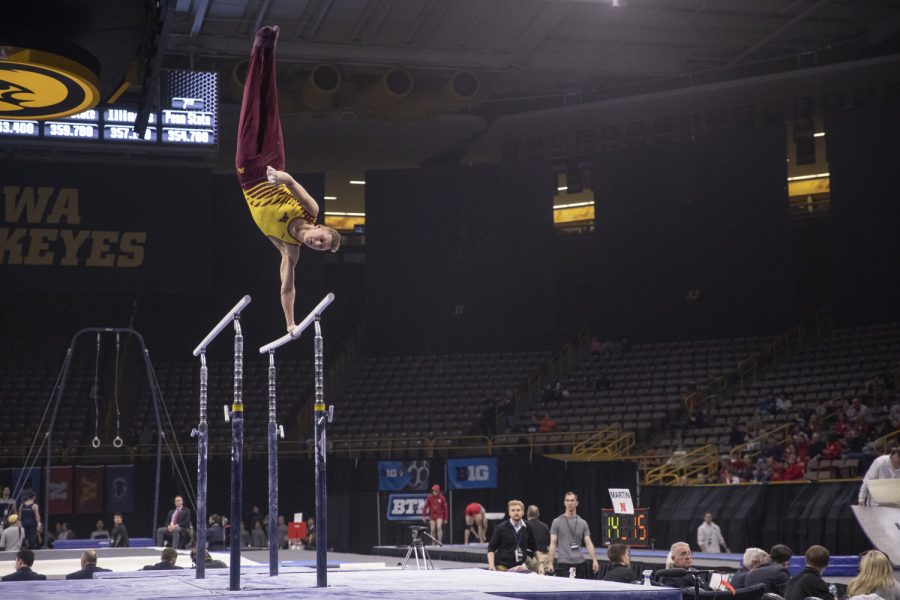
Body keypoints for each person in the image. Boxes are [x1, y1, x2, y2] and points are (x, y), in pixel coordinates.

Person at [235, 25, 341, 333]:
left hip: (249, 175)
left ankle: (258, 48)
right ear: (320, 229)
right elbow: (295, 186)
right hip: (273, 166)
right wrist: (281, 177)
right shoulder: (312, 211)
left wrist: (291, 323)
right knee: (270, 107)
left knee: (252, 108)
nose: (316, 244)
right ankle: (272, 47)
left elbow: (286, 289)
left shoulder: (289, 249)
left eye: (319, 248)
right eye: (321, 240)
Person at [547, 491, 600, 579]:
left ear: (576, 503)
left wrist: (594, 560)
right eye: (567, 501)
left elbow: (588, 543)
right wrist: (550, 563)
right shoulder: (557, 522)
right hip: (563, 563)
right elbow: (552, 544)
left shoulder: (583, 523)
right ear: (564, 503)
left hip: (580, 563)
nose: (570, 503)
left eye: (572, 500)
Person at [487, 500, 543, 573]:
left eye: (518, 510)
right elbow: (491, 548)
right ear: (509, 513)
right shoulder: (501, 528)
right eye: (513, 510)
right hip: (502, 568)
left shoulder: (527, 527)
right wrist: (491, 567)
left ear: (523, 512)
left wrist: (541, 564)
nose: (516, 512)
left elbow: (535, 547)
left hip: (520, 568)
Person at [525, 505, 550, 573]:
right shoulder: (545, 527)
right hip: (542, 559)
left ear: (527, 514)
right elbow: (548, 543)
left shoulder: (524, 526)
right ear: (538, 514)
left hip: (528, 560)